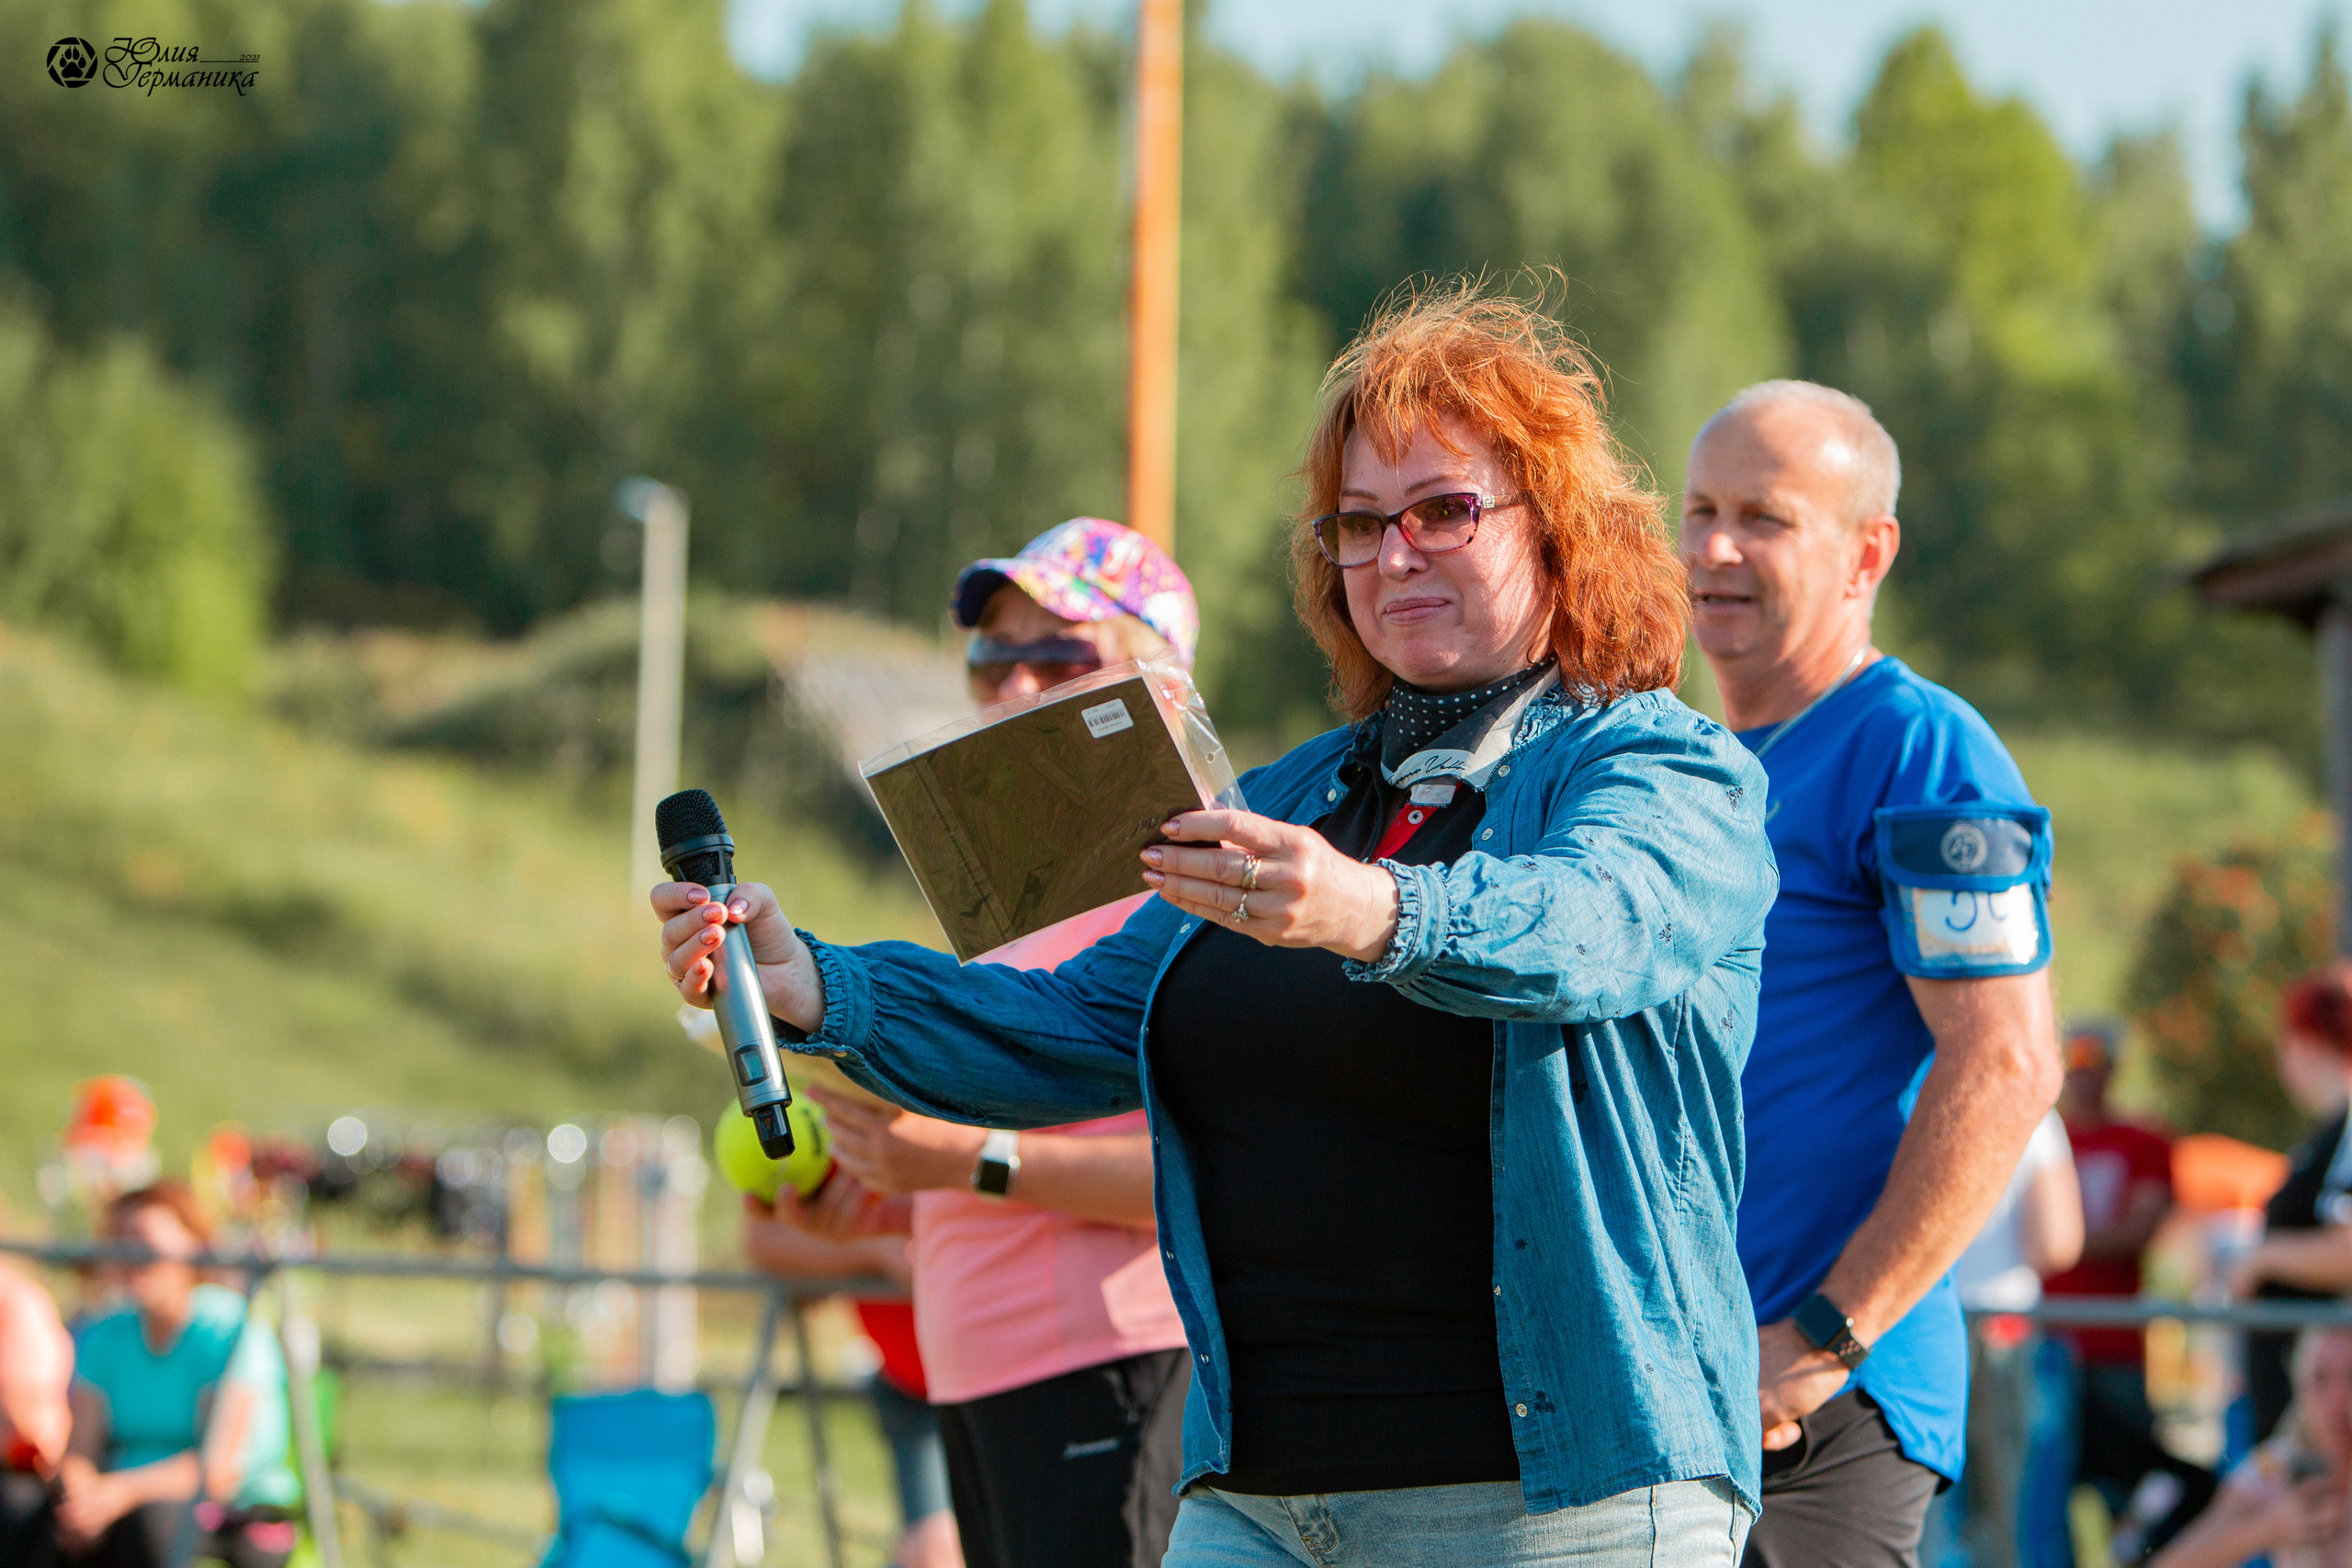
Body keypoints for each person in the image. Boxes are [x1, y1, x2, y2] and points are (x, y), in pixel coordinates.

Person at [656, 282, 1775, 1563]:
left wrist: (1371, 907)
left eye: (1444, 509)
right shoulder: (1300, 794)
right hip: (1259, 1494)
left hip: (1562, 1496)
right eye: (1359, 522)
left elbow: (1594, 922)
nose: (1394, 552)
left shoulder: (1664, 765)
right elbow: (1072, 1017)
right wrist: (814, 985)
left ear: (1559, 525)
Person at [1680, 378, 2063, 1567]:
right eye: (1698, 510)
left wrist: (1824, 1334)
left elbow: (2008, 1062)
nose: (1716, 548)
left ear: (1867, 552)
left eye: (1765, 516)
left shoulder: (1921, 747)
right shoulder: (1679, 759)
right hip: (1670, 1388)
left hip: (1820, 1405)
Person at [770, 517, 1195, 1568]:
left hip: (1114, 1358)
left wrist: (963, 1160)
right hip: (980, 1368)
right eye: (990, 659)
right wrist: (891, 1189)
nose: (1011, 687)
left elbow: (1207, 1171)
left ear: (1164, 689)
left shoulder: (1190, 886)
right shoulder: (1029, 902)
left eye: (1056, 656)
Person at [2031, 1021, 2210, 1565]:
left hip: (2117, 1355)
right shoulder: (2037, 1136)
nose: (2085, 1072)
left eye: (2097, 1057)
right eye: (2075, 1057)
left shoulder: (2145, 1141)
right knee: (2041, 1501)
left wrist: (2056, 1239)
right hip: (2041, 1348)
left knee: (2135, 1500)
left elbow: (2140, 1229)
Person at [57, 1182, 300, 1568]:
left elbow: (218, 1471)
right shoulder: (105, 1333)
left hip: (232, 1513)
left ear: (192, 1245)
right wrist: (80, 1493)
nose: (130, 1254)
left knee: (152, 1525)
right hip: (119, 1499)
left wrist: (121, 1492)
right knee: (31, 1511)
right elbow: (80, 1447)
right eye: (119, 1241)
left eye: (143, 1240)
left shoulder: (231, 1330)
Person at [738, 1189, 961, 1568]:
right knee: (930, 1552)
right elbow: (765, 1240)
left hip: (1014, 1388)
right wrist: (873, 1249)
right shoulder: (844, 1145)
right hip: (912, 1391)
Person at [1926, 1109, 2081, 1568]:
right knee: (2014, 1505)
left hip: (1923, 1319)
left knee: (1930, 1505)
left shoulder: (1906, 1079)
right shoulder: (2032, 1108)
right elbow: (2056, 1242)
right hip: (2003, 1324)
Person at [2228, 964, 2352, 1443]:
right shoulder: (2328, 1132)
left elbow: (2347, 1253)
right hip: (2298, 1395)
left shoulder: (2346, 1128)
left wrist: (2263, 1258)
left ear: (2303, 1041)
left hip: (2325, 1404)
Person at [2145, 1326, 2352, 1568]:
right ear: (2299, 1386)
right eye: (2320, 1378)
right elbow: (2172, 1563)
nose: (2338, 1396)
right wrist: (2267, 1528)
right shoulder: (2277, 1462)